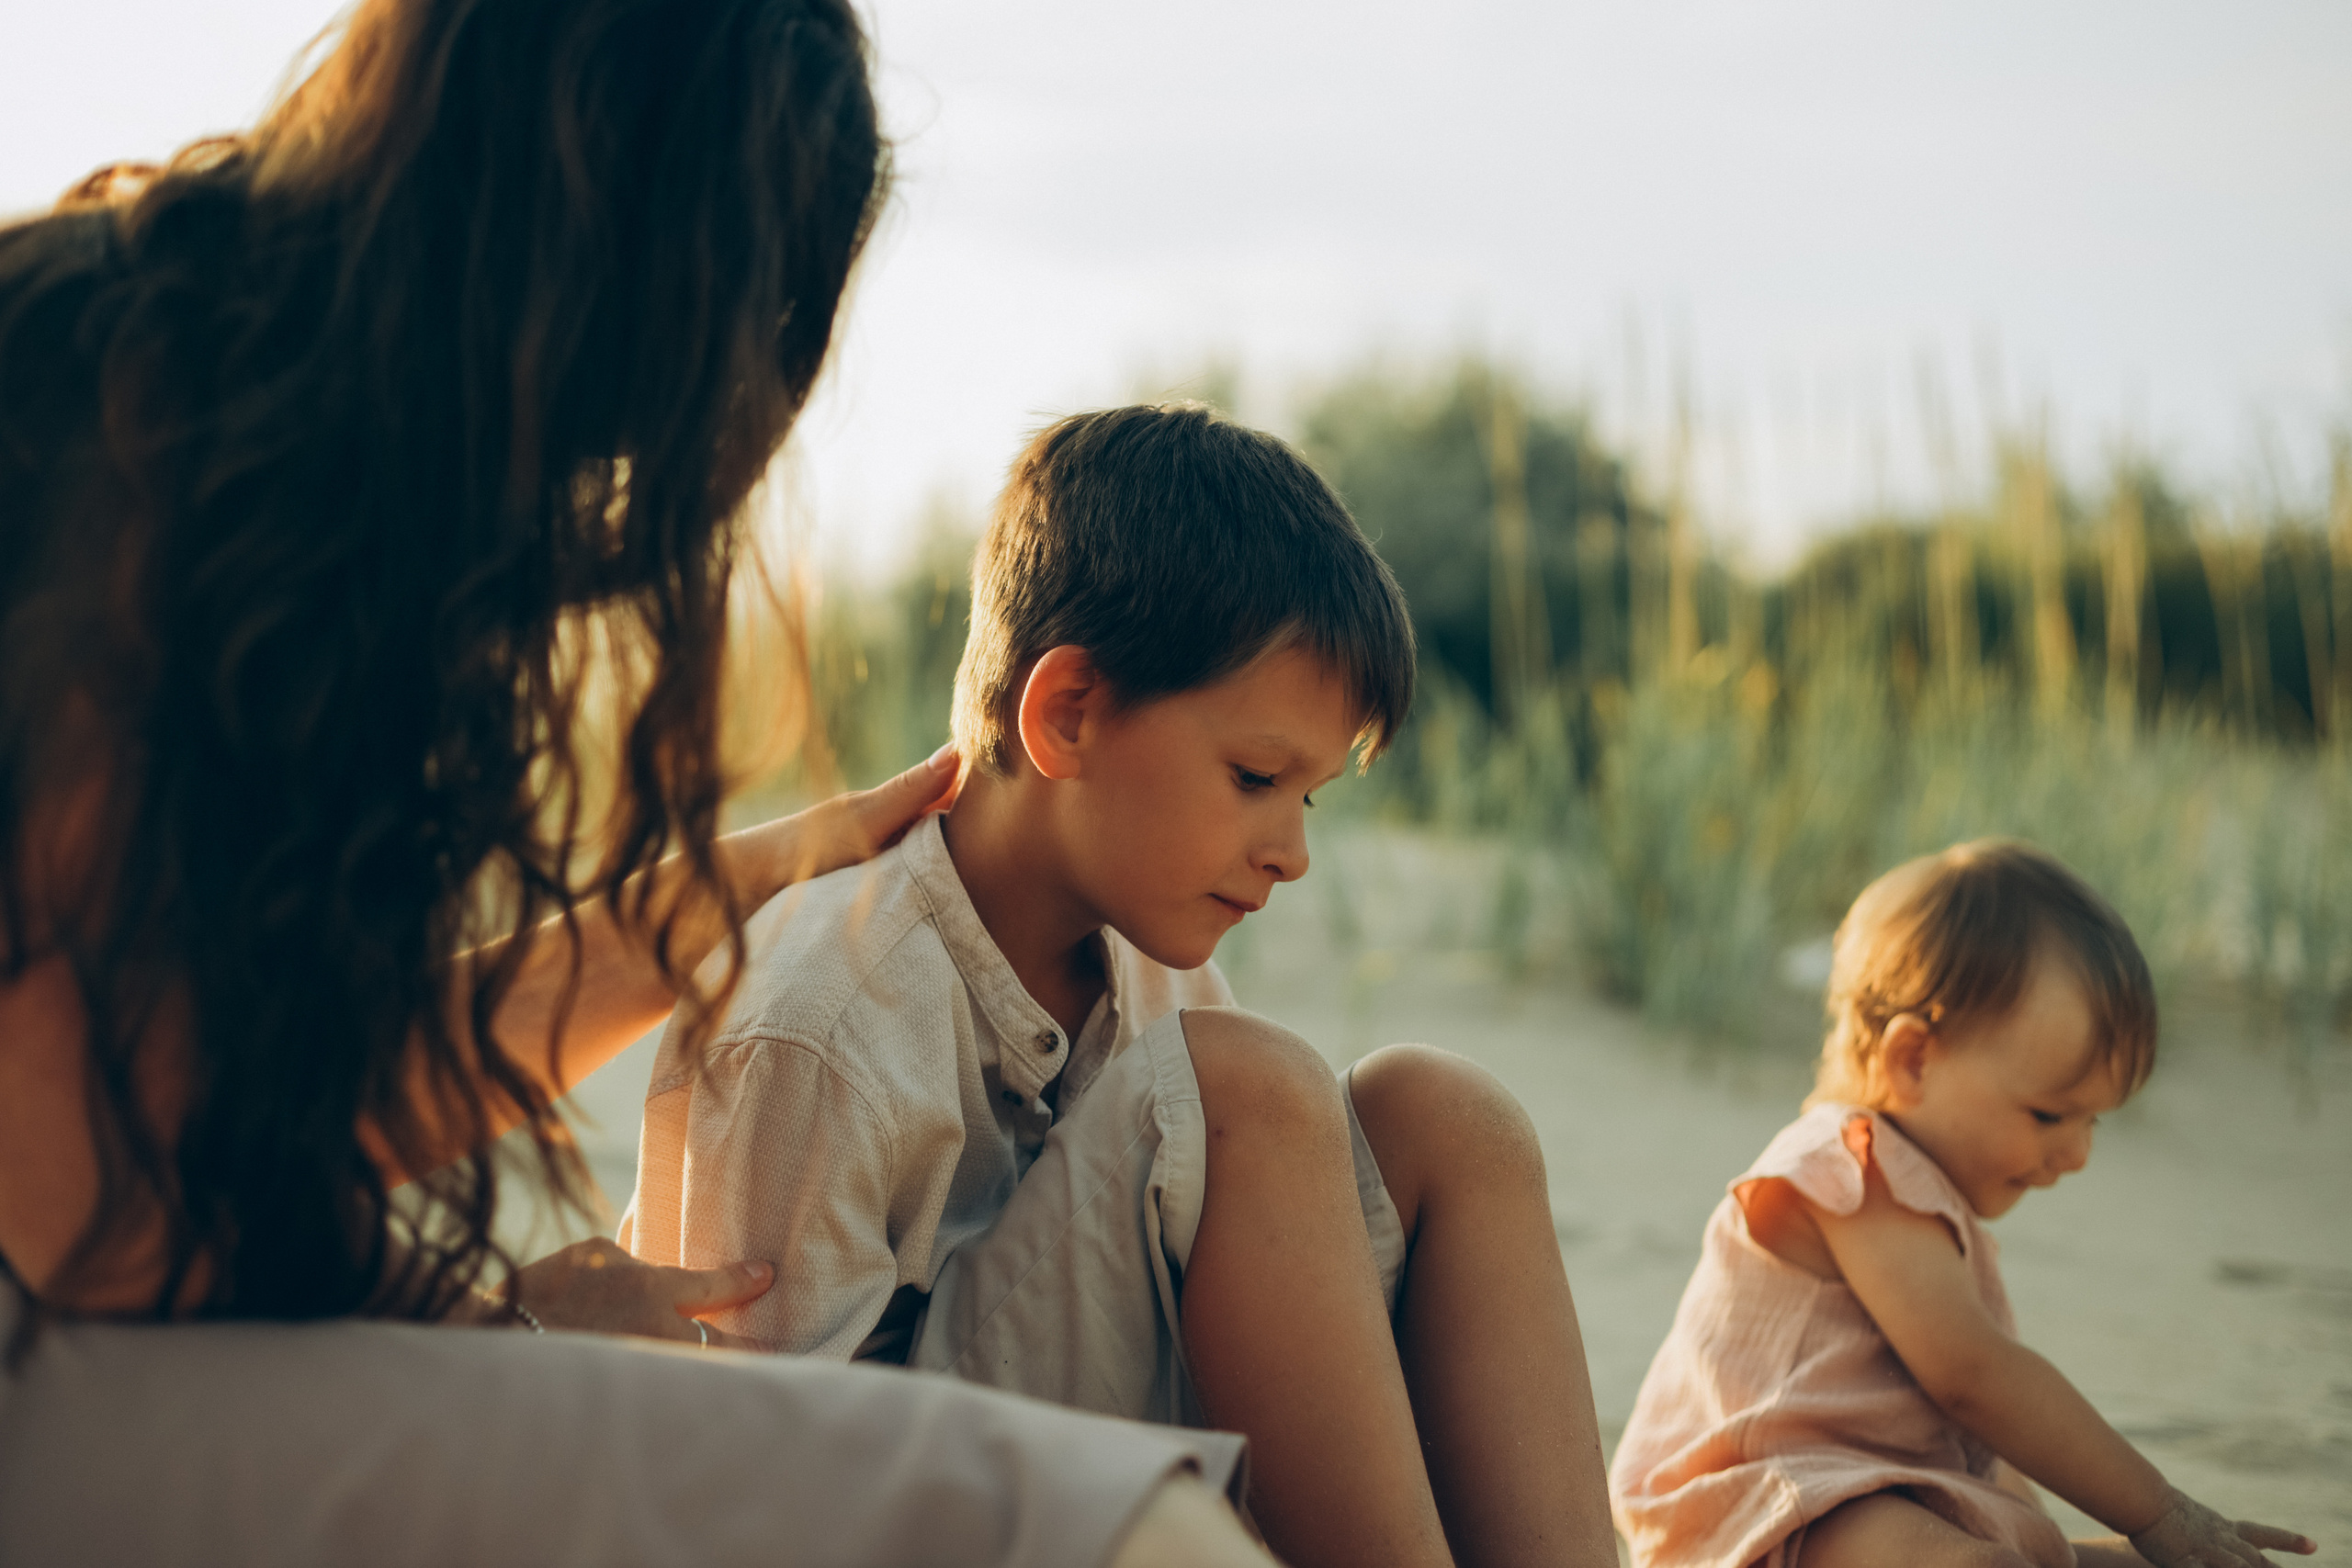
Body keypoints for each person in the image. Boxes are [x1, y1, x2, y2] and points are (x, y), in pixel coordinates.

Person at [0, 1, 1273, 1562]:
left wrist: (736, 883)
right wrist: (494, 1321)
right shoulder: (146, 455)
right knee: (1097, 1531)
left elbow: (263, 1083)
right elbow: (109, 1202)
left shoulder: (182, 360)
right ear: (616, 234)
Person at [620, 402, 1619, 1568]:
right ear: (1067, 714)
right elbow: (751, 1477)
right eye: (1255, 777)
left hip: (1106, 1471)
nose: (1292, 851)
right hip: (876, 1513)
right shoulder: (820, 1020)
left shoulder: (1142, 957)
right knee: (1248, 1089)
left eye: (1310, 797)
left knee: (1444, 1114)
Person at [1608, 840, 2320, 1568]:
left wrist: (2066, 1538)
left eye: (2093, 1120)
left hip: (1886, 1493)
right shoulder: (1851, 1168)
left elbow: (1974, 1435)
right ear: (1912, 1058)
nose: (2077, 1154)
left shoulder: (1916, 1192)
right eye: (2048, 1115)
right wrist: (2158, 1507)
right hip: (1771, 1504)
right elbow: (1975, 1378)